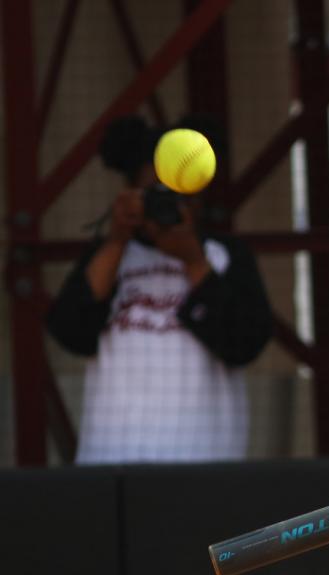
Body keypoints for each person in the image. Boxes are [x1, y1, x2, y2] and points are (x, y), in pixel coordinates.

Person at [46, 113, 272, 464]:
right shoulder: (110, 255)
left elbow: (245, 343)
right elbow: (71, 330)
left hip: (207, 464)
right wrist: (117, 238)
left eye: (177, 195)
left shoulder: (223, 255)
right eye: (155, 195)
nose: (166, 205)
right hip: (112, 465)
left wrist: (193, 260)